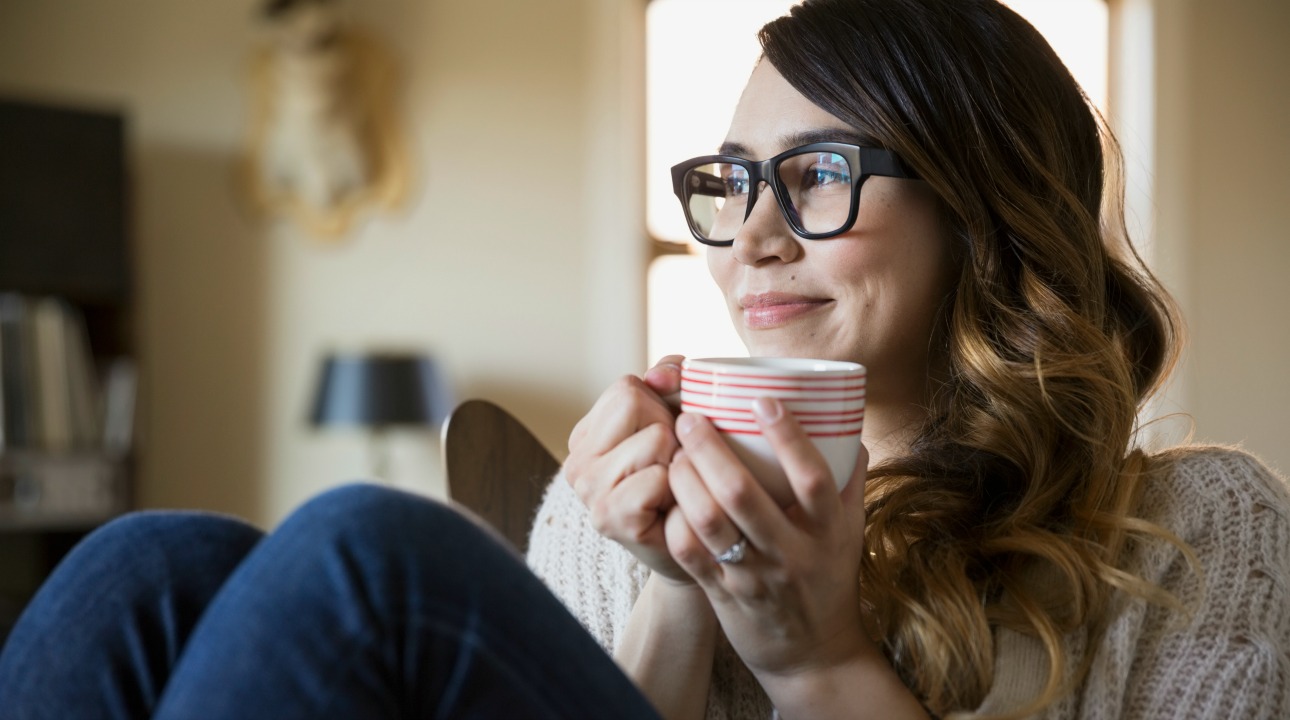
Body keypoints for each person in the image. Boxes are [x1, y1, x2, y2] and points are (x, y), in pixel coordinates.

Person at [1, 0, 1287, 718]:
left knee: (368, 556)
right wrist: (670, 591)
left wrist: (818, 661)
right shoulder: (607, 508)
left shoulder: (1195, 529)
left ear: (986, 207)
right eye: (730, 183)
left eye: (820, 174)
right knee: (146, 564)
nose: (753, 238)